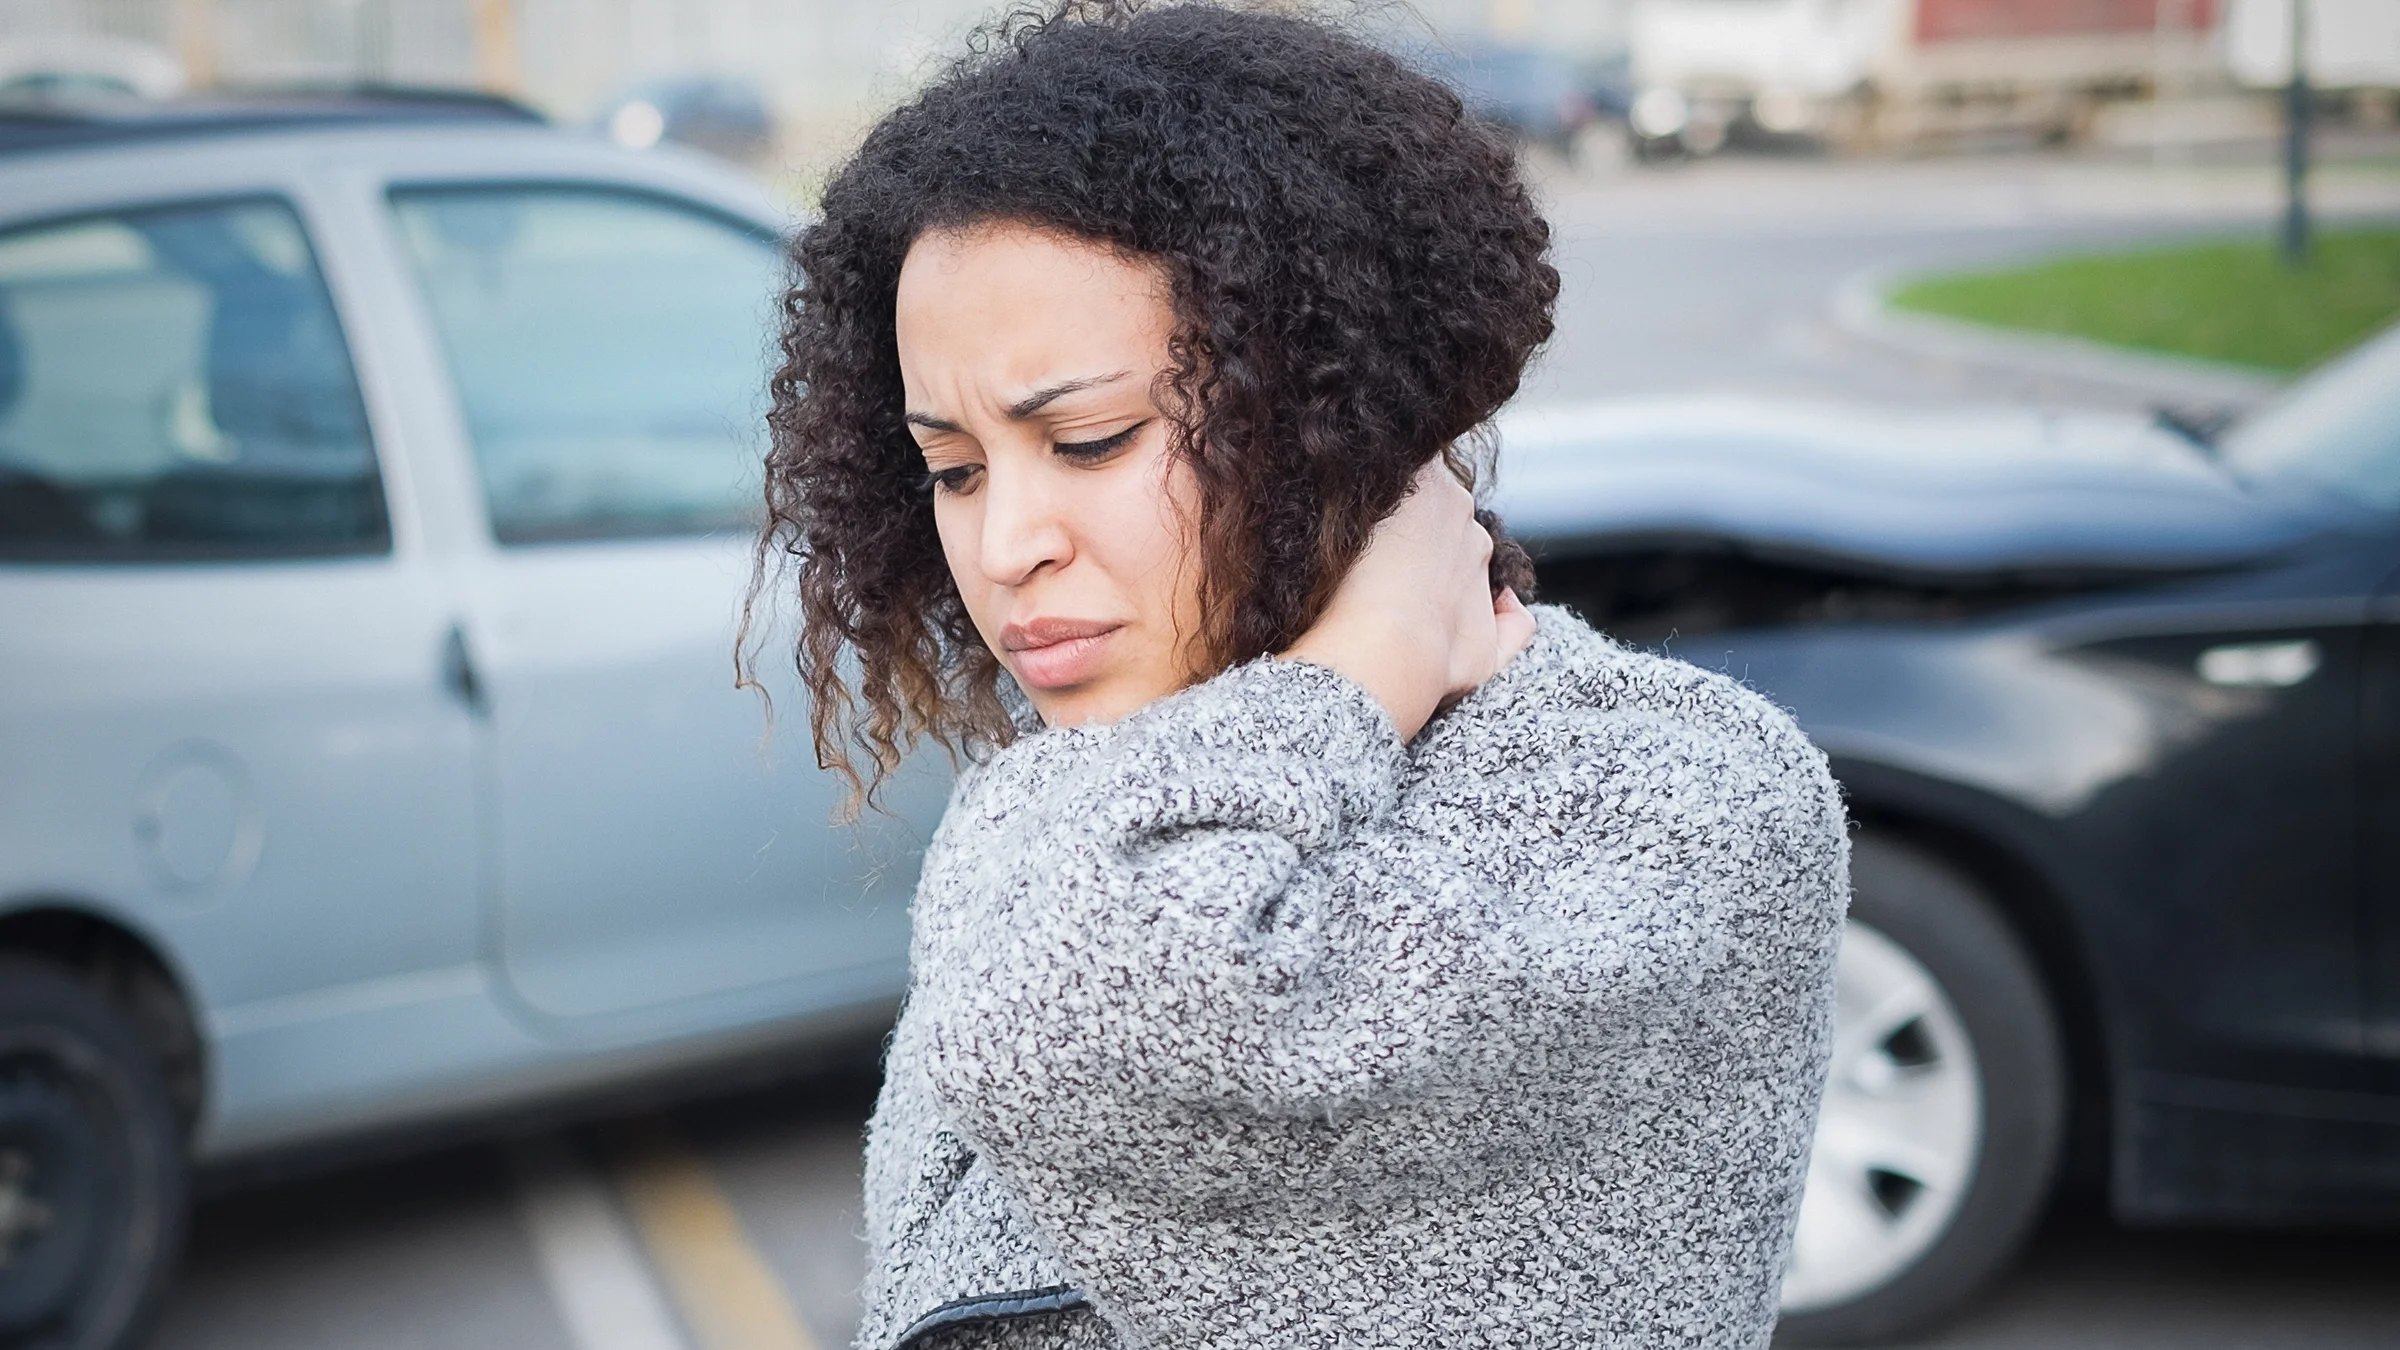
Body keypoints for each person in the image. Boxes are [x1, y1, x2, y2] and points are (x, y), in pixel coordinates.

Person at [750, 4, 1850, 1347]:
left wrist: (1366, 663)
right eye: (955, 469)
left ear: (1333, 405)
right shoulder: (1147, 764)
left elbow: (1066, 1011)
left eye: (1088, 441)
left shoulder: (1678, 791)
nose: (1005, 545)